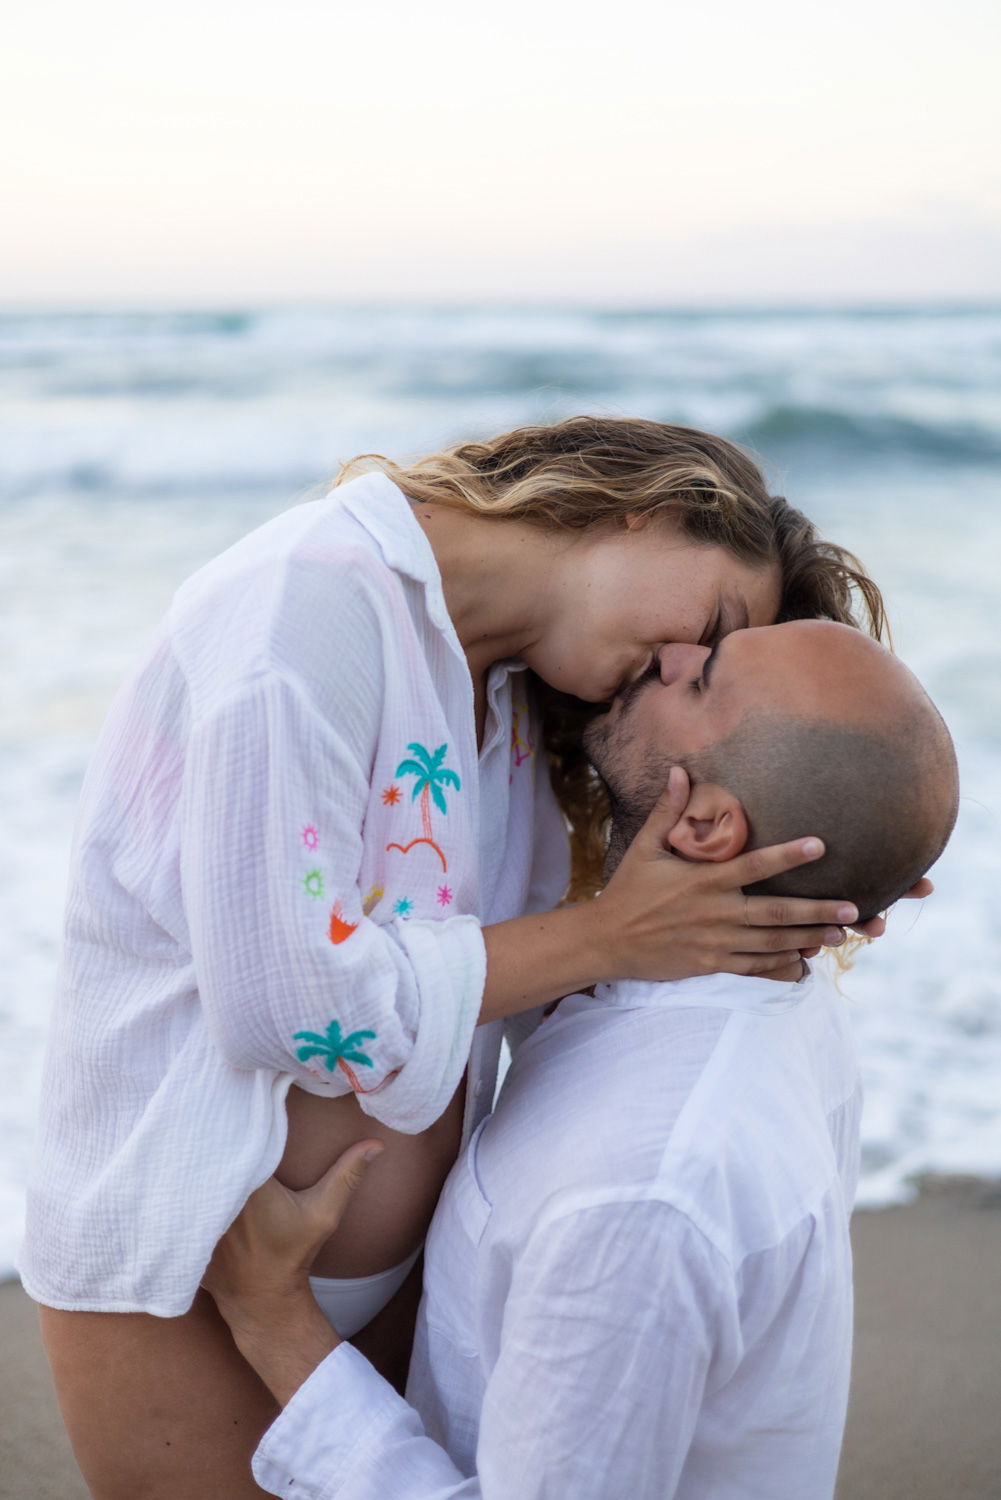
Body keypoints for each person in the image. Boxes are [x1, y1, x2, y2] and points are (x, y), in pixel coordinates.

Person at [25, 417, 901, 1499]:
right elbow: (291, 1006)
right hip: (196, 1268)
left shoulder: (501, 679)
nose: (676, 667)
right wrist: (607, 933)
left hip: (388, 1272)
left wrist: (837, 859)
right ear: (651, 509)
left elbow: (550, 944)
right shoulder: (303, 608)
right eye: (711, 625)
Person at [203, 618, 959, 1500]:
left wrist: (271, 1319)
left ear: (710, 825)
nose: (668, 651)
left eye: (700, 677)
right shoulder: (768, 1001)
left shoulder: (646, 1190)